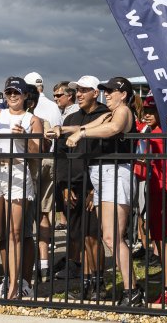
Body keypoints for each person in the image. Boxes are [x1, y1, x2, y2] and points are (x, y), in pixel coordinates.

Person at [65, 76, 140, 306]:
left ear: (123, 94)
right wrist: (63, 129)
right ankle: (132, 289)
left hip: (115, 173)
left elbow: (113, 129)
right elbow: (86, 126)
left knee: (112, 236)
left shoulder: (123, 111)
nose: (106, 94)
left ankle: (132, 290)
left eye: (111, 91)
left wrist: (81, 134)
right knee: (110, 236)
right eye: (105, 91)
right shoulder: (110, 113)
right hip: (102, 175)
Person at [0, 77, 42, 299]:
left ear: (25, 96)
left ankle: (14, 286)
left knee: (15, 233)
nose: (12, 96)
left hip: (18, 172)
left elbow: (37, 152)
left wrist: (25, 137)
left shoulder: (33, 119)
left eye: (16, 92)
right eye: (9, 92)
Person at [45, 76, 108, 301]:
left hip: (95, 186)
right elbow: (61, 155)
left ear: (95, 93)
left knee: (93, 237)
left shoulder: (105, 116)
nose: (79, 94)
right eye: (77, 90)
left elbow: (105, 155)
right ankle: (86, 282)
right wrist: (64, 185)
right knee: (80, 237)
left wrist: (94, 189)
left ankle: (99, 284)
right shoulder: (71, 118)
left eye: (84, 90)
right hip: (73, 188)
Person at [136, 95, 167, 306]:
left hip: (165, 189)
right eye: (146, 111)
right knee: (157, 238)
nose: (148, 115)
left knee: (163, 238)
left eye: (152, 111)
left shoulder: (164, 132)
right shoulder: (147, 130)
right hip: (152, 188)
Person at [25, 72, 63, 285]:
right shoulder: (52, 108)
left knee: (26, 216)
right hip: (49, 161)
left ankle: (30, 265)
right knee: (43, 213)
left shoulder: (28, 116)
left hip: (34, 165)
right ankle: (44, 264)